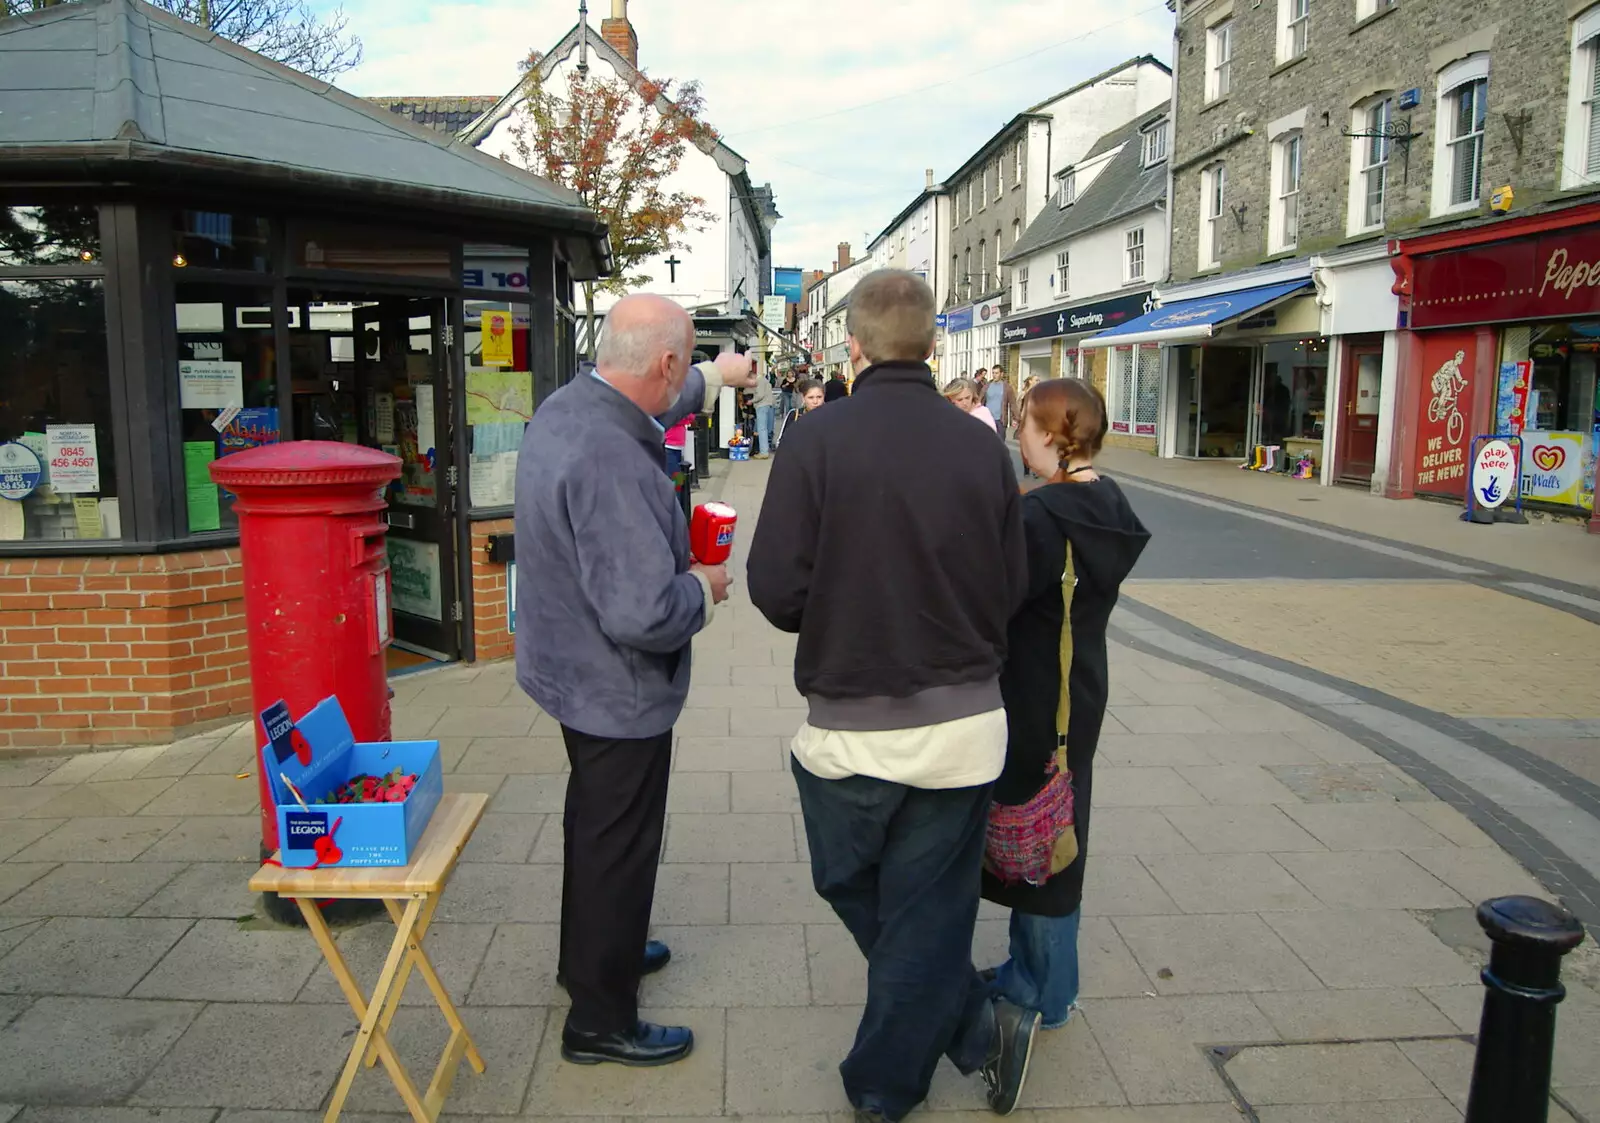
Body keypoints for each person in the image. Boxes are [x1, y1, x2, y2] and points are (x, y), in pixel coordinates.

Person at [749, 270, 1037, 1121]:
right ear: (932, 346)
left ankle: (884, 1088)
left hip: (851, 725)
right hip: (966, 727)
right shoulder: (982, 445)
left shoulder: (814, 437)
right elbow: (1013, 582)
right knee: (920, 910)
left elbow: (774, 589)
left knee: (855, 884)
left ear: (855, 345)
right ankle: (977, 1022)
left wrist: (840, 603)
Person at [514, 294, 756, 1068]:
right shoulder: (612, 458)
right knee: (619, 846)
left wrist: (716, 376)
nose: (684, 380)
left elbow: (657, 391)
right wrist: (705, 588)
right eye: (683, 367)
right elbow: (645, 613)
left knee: (594, 828)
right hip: (614, 688)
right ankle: (599, 1021)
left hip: (568, 671)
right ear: (663, 362)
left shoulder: (572, 403)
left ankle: (590, 961)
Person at [981, 378, 1149, 1032]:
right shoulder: (1107, 501)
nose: (1018, 433)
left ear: (1052, 433)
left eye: (1024, 423)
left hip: (1031, 691)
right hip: (1078, 685)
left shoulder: (1040, 513)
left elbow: (996, 601)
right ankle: (1043, 972)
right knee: (1060, 821)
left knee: (1039, 829)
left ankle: (1044, 989)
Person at [778, 377, 825, 445]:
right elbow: (782, 442)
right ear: (803, 398)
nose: (815, 401)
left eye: (819, 397)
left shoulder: (831, 417)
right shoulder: (795, 415)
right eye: (811, 397)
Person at [751, 368, 779, 458]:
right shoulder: (765, 380)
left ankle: (763, 452)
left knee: (761, 429)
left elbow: (760, 395)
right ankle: (764, 450)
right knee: (766, 428)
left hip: (761, 405)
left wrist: (751, 401)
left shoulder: (759, 381)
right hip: (768, 405)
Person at [986, 366, 1018, 434]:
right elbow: (980, 401)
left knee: (999, 442)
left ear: (1002, 374)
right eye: (993, 373)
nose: (994, 375)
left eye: (996, 373)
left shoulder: (1007, 387)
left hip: (1000, 420)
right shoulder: (987, 386)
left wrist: (1015, 418)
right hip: (988, 419)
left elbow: (1013, 404)